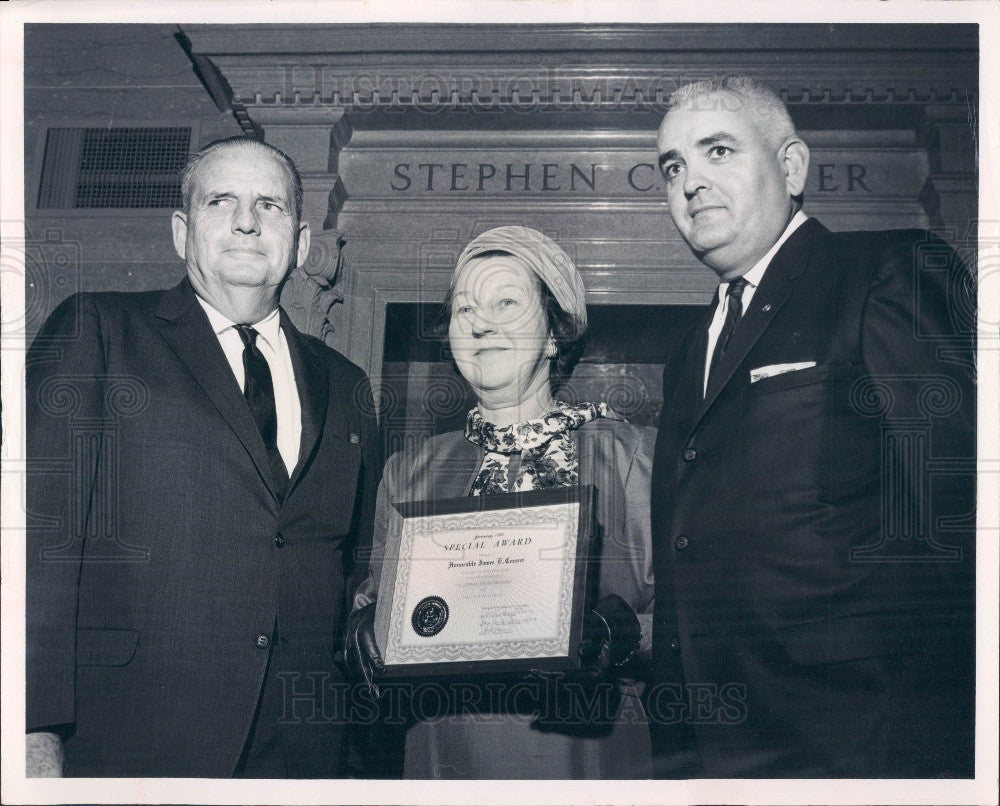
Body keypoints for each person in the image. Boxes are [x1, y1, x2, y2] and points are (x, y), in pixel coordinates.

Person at [649, 76, 976, 777]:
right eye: (673, 166)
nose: (690, 183)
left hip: (860, 741)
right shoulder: (687, 354)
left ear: (792, 166)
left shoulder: (887, 271)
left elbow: (960, 525)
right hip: (709, 747)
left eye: (718, 151)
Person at [25, 136, 380, 777]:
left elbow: (354, 563)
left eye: (270, 205)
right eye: (222, 201)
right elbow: (31, 546)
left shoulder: (347, 383)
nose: (247, 220)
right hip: (130, 735)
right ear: (181, 231)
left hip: (305, 746)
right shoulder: (98, 332)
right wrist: (29, 727)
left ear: (300, 244)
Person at [345, 226, 656, 779]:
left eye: (505, 303)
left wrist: (620, 633)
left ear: (555, 332)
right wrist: (367, 626)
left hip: (588, 757)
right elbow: (378, 606)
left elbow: (694, 616)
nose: (480, 323)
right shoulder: (409, 472)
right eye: (464, 309)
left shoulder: (630, 457)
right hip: (445, 756)